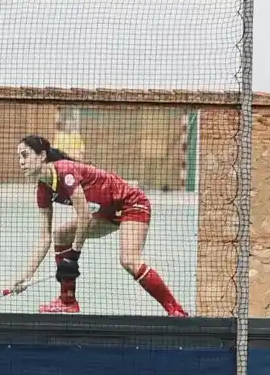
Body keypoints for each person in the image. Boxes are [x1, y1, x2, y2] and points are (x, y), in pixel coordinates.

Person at [13, 133, 188, 316]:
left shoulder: (64, 171)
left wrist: (73, 254)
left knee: (129, 260)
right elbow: (45, 237)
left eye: (25, 155)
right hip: (108, 211)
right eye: (18, 157)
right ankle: (67, 301)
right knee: (60, 234)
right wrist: (27, 275)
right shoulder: (42, 191)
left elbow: (85, 216)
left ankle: (176, 311)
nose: (21, 162)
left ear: (42, 156)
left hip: (131, 203)